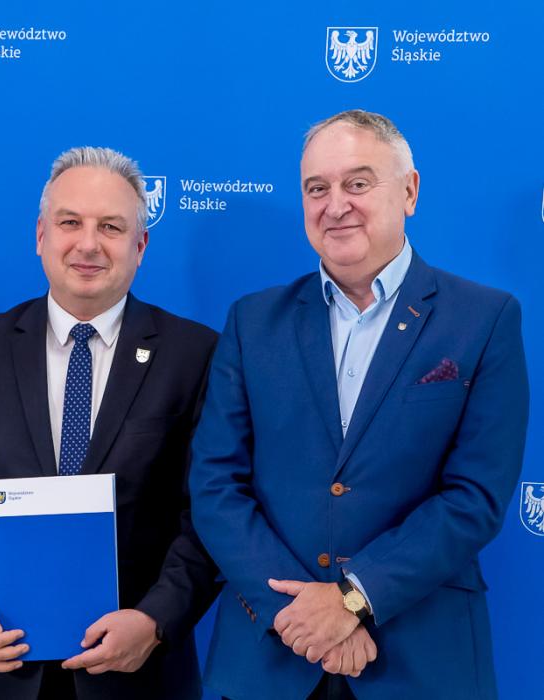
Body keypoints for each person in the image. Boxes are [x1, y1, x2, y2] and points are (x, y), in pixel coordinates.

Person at [191, 109, 529, 700]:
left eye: (357, 183)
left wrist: (353, 598)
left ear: (409, 191)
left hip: (420, 661)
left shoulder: (485, 319)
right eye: (316, 188)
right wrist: (301, 614)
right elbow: (216, 484)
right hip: (270, 656)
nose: (335, 205)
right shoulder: (252, 322)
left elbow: (475, 495)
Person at [0, 146, 220, 699]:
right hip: (5, 672)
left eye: (111, 227)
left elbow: (212, 514)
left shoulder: (194, 355)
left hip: (140, 677)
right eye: (70, 222)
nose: (88, 244)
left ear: (141, 245)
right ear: (41, 235)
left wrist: (155, 620)